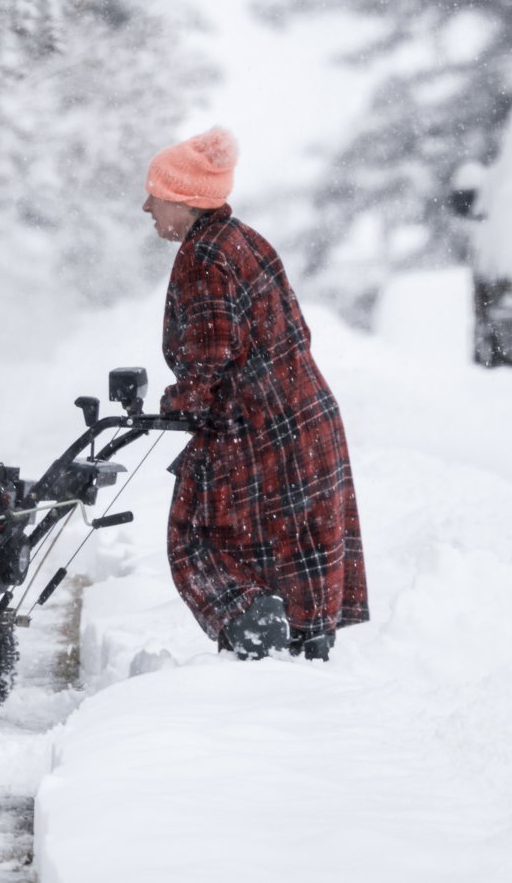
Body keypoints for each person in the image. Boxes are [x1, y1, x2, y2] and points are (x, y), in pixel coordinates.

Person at [142, 127, 369, 660]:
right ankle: (304, 644)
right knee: (291, 539)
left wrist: (181, 402)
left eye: (155, 195)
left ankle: (255, 636)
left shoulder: (204, 257)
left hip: (259, 424)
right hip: (303, 414)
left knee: (195, 534)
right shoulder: (241, 237)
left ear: (184, 199)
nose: (146, 206)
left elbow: (212, 352)